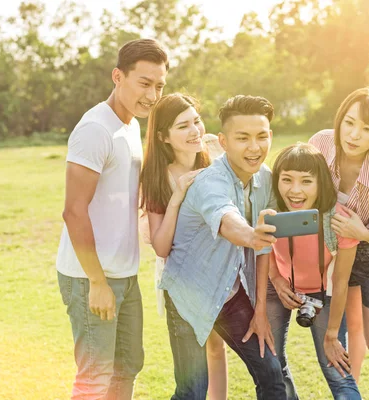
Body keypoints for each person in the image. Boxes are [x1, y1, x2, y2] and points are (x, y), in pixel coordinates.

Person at [55, 38, 168, 400]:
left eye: (160, 86)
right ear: (118, 76)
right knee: (95, 377)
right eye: (144, 83)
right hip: (92, 277)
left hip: (124, 272)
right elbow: (74, 211)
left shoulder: (131, 125)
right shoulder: (95, 130)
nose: (152, 95)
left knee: (128, 365)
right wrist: (97, 281)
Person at [159, 95, 287, 399]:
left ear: (270, 136)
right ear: (223, 141)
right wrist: (252, 236)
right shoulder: (210, 182)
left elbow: (263, 245)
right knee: (192, 391)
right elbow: (227, 218)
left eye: (261, 137)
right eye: (242, 138)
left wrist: (259, 311)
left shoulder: (265, 178)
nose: (254, 148)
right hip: (188, 294)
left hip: (231, 295)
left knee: (271, 374)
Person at [309, 87, 369, 400]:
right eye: (349, 123)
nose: (353, 135)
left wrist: (361, 231)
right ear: (340, 119)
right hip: (341, 254)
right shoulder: (320, 143)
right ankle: (350, 395)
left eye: (367, 129)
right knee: (351, 334)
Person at [139, 93, 228, 400]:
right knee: (192, 383)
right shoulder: (158, 179)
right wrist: (177, 196)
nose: (195, 131)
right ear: (163, 136)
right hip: (184, 283)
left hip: (220, 275)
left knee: (217, 347)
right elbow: (162, 247)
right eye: (183, 126)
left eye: (197, 121)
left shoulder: (215, 161)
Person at [266, 143, 362, 400]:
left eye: (306, 181)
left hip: (325, 293)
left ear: (321, 184)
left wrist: (332, 335)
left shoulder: (338, 221)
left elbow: (341, 282)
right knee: (271, 364)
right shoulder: (271, 212)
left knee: (335, 370)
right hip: (280, 286)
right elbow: (263, 251)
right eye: (286, 180)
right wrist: (275, 279)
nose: (295, 190)